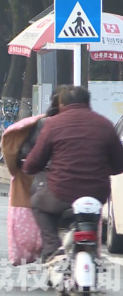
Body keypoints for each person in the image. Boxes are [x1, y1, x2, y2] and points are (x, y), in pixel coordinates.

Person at [23, 85, 123, 263]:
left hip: (61, 192)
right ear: (87, 102)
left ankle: (54, 250)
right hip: (97, 193)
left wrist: (28, 167)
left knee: (38, 203)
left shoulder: (53, 124)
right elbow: (118, 166)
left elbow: (34, 162)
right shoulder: (105, 125)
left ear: (61, 104)